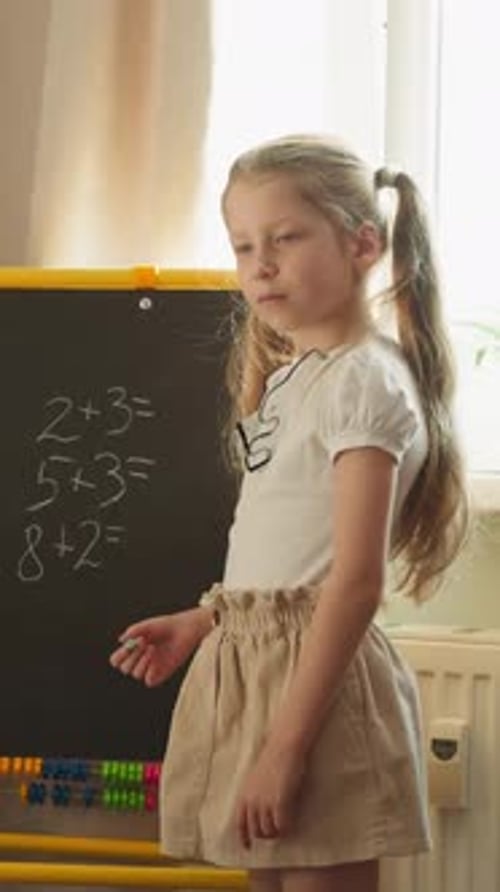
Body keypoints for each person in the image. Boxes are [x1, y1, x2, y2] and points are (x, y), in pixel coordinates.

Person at [110, 134, 468, 892]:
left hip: (317, 691)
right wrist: (208, 620)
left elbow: (353, 583)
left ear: (363, 244)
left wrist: (285, 747)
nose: (259, 264)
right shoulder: (291, 380)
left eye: (285, 238)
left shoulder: (364, 383)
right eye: (243, 246)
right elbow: (285, 554)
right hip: (257, 669)